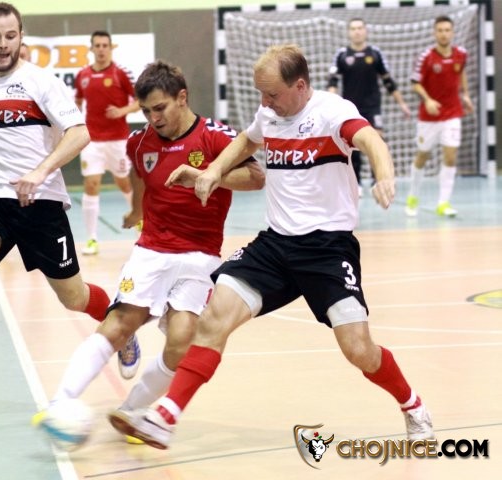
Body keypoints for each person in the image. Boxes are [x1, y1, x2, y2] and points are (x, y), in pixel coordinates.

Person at [109, 44, 434, 450]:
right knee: (213, 319)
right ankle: (165, 417)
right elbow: (247, 140)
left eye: (272, 94)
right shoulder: (269, 114)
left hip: (327, 250)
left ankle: (412, 404)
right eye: (261, 94)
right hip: (276, 245)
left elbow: (371, 140)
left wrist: (384, 176)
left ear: (300, 86)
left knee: (359, 350)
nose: (264, 103)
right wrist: (213, 171)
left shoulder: (333, 112)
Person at [36, 60, 264, 443]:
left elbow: (257, 177)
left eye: (160, 108)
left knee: (181, 339)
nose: (153, 118)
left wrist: (209, 176)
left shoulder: (214, 136)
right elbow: (140, 173)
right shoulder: (139, 142)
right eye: (145, 111)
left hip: (201, 256)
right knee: (118, 324)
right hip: (152, 250)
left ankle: (130, 411)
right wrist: (136, 209)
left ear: (182, 97)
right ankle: (59, 403)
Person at [0, 2, 115, 401]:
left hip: (39, 202)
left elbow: (80, 133)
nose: (3, 44)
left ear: (21, 36)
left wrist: (39, 172)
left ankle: (122, 323)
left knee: (74, 298)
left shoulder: (41, 81)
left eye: (10, 36)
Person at [74, 31, 140, 256]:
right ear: (91, 49)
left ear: (111, 48)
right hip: (91, 140)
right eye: (97, 45)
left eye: (105, 45)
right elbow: (78, 99)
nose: (101, 49)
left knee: (124, 183)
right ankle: (92, 238)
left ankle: (140, 222)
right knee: (91, 184)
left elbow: (140, 101)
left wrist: (121, 111)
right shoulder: (82, 75)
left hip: (118, 140)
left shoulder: (120, 73)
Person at [327, 17, 411, 193]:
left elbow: (388, 81)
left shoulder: (375, 53)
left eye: (360, 28)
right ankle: (356, 183)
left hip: (373, 107)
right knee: (353, 144)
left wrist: (402, 104)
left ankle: (378, 180)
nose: (357, 31)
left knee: (376, 141)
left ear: (365, 31)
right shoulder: (342, 54)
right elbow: (332, 82)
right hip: (350, 108)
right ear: (349, 32)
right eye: (353, 28)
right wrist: (331, 105)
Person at [405, 15, 473, 217]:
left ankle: (443, 203)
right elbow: (415, 83)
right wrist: (427, 100)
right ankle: (413, 196)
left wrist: (466, 95)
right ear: (434, 33)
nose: (444, 34)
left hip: (452, 113)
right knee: (423, 155)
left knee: (450, 157)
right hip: (429, 117)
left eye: (447, 30)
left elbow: (461, 73)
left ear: (452, 32)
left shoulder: (461, 54)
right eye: (440, 30)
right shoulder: (426, 57)